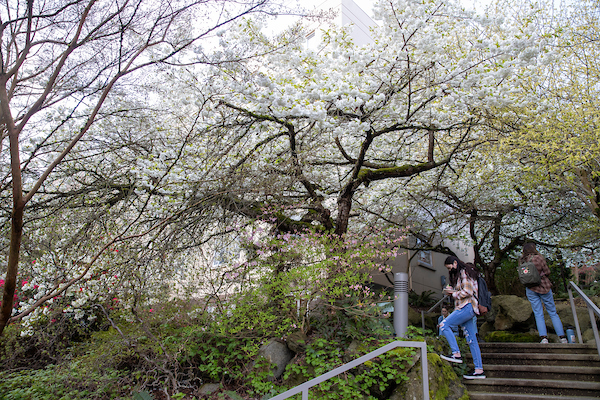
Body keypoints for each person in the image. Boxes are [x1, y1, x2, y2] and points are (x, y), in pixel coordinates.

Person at [438, 256, 485, 379]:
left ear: (455, 263)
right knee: (471, 339)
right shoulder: (462, 273)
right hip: (467, 307)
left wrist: (452, 293)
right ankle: (479, 370)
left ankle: (456, 353)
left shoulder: (464, 272)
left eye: (450, 267)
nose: (449, 270)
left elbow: (467, 291)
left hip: (466, 306)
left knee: (444, 324)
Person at [519, 243, 568, 344]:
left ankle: (543, 338)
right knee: (552, 312)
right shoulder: (538, 258)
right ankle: (562, 337)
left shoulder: (522, 260)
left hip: (530, 288)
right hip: (543, 286)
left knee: (538, 313)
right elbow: (547, 271)